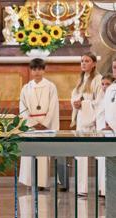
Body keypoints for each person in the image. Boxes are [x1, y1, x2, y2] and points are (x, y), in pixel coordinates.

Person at [18, 58, 59, 189]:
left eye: (39, 69)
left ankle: (41, 182)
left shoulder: (50, 86)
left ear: (44, 70)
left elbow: (53, 106)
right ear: (31, 71)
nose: (37, 72)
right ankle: (30, 181)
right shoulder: (26, 88)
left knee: (42, 154)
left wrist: (45, 123)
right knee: (30, 153)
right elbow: (23, 108)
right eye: (34, 69)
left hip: (46, 125)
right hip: (31, 126)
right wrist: (32, 123)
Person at [71, 52, 103, 196]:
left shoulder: (98, 79)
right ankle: (81, 189)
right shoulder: (80, 80)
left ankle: (103, 189)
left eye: (87, 61)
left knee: (101, 156)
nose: (83, 63)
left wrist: (83, 104)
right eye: (82, 61)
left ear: (94, 63)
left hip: (94, 122)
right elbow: (74, 97)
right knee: (80, 155)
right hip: (81, 122)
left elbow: (99, 102)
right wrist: (76, 104)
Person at [95, 74, 114, 196]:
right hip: (101, 131)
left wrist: (110, 126)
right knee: (101, 161)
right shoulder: (100, 98)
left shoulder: (113, 97)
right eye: (102, 84)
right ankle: (102, 188)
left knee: (108, 161)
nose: (104, 86)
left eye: (107, 84)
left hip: (111, 132)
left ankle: (109, 189)